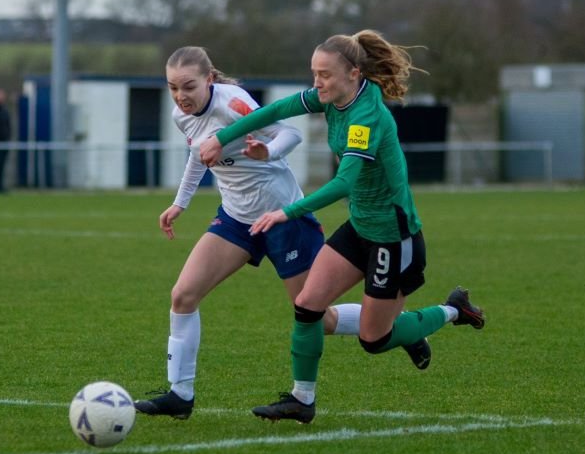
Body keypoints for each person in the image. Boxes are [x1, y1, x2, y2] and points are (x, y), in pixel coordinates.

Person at [199, 30, 485, 423]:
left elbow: (344, 183)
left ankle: (452, 310)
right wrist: (223, 136)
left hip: (393, 238)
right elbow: (278, 110)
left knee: (375, 339)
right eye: (314, 73)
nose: (317, 83)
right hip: (360, 227)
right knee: (307, 305)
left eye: (325, 75)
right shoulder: (333, 97)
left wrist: (288, 211)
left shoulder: (367, 116)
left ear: (353, 73)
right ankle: (302, 400)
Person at [133, 46, 433, 420]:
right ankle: (180, 394)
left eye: (188, 86)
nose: (180, 96)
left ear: (209, 79)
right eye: (172, 87)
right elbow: (199, 151)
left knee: (316, 317)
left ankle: (402, 327)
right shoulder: (182, 114)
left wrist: (268, 153)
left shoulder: (235, 105)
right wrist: (181, 202)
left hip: (285, 217)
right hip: (236, 219)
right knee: (183, 295)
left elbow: (288, 133)